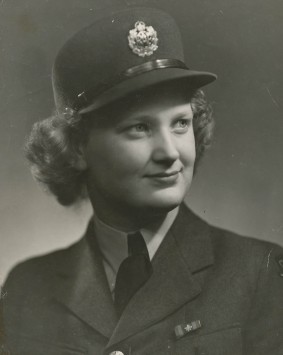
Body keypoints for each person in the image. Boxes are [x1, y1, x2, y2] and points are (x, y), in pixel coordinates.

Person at [1, 6, 283, 355]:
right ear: (76, 148)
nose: (170, 152)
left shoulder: (260, 274)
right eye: (139, 128)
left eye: (180, 123)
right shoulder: (27, 289)